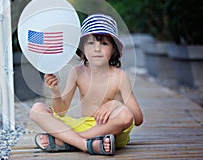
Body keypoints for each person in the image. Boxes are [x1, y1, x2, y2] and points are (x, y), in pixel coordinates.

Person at [29, 13, 143, 156]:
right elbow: (61, 111)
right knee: (37, 109)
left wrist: (115, 104)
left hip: (110, 130)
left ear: (114, 50)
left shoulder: (119, 76)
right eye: (91, 43)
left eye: (104, 43)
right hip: (84, 127)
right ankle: (86, 144)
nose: (97, 49)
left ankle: (68, 141)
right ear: (82, 48)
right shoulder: (77, 73)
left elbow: (137, 118)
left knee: (125, 114)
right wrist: (55, 92)